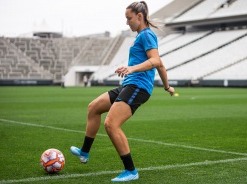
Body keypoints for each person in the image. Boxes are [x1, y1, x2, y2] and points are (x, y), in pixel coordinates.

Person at [70, 1, 175, 182]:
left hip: (138, 86)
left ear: (139, 17)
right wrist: (167, 86)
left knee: (111, 124)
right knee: (93, 107)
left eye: (129, 18)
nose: (127, 22)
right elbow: (161, 64)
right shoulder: (141, 36)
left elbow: (156, 61)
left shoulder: (147, 35)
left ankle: (131, 171)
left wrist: (132, 69)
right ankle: (84, 152)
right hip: (129, 84)